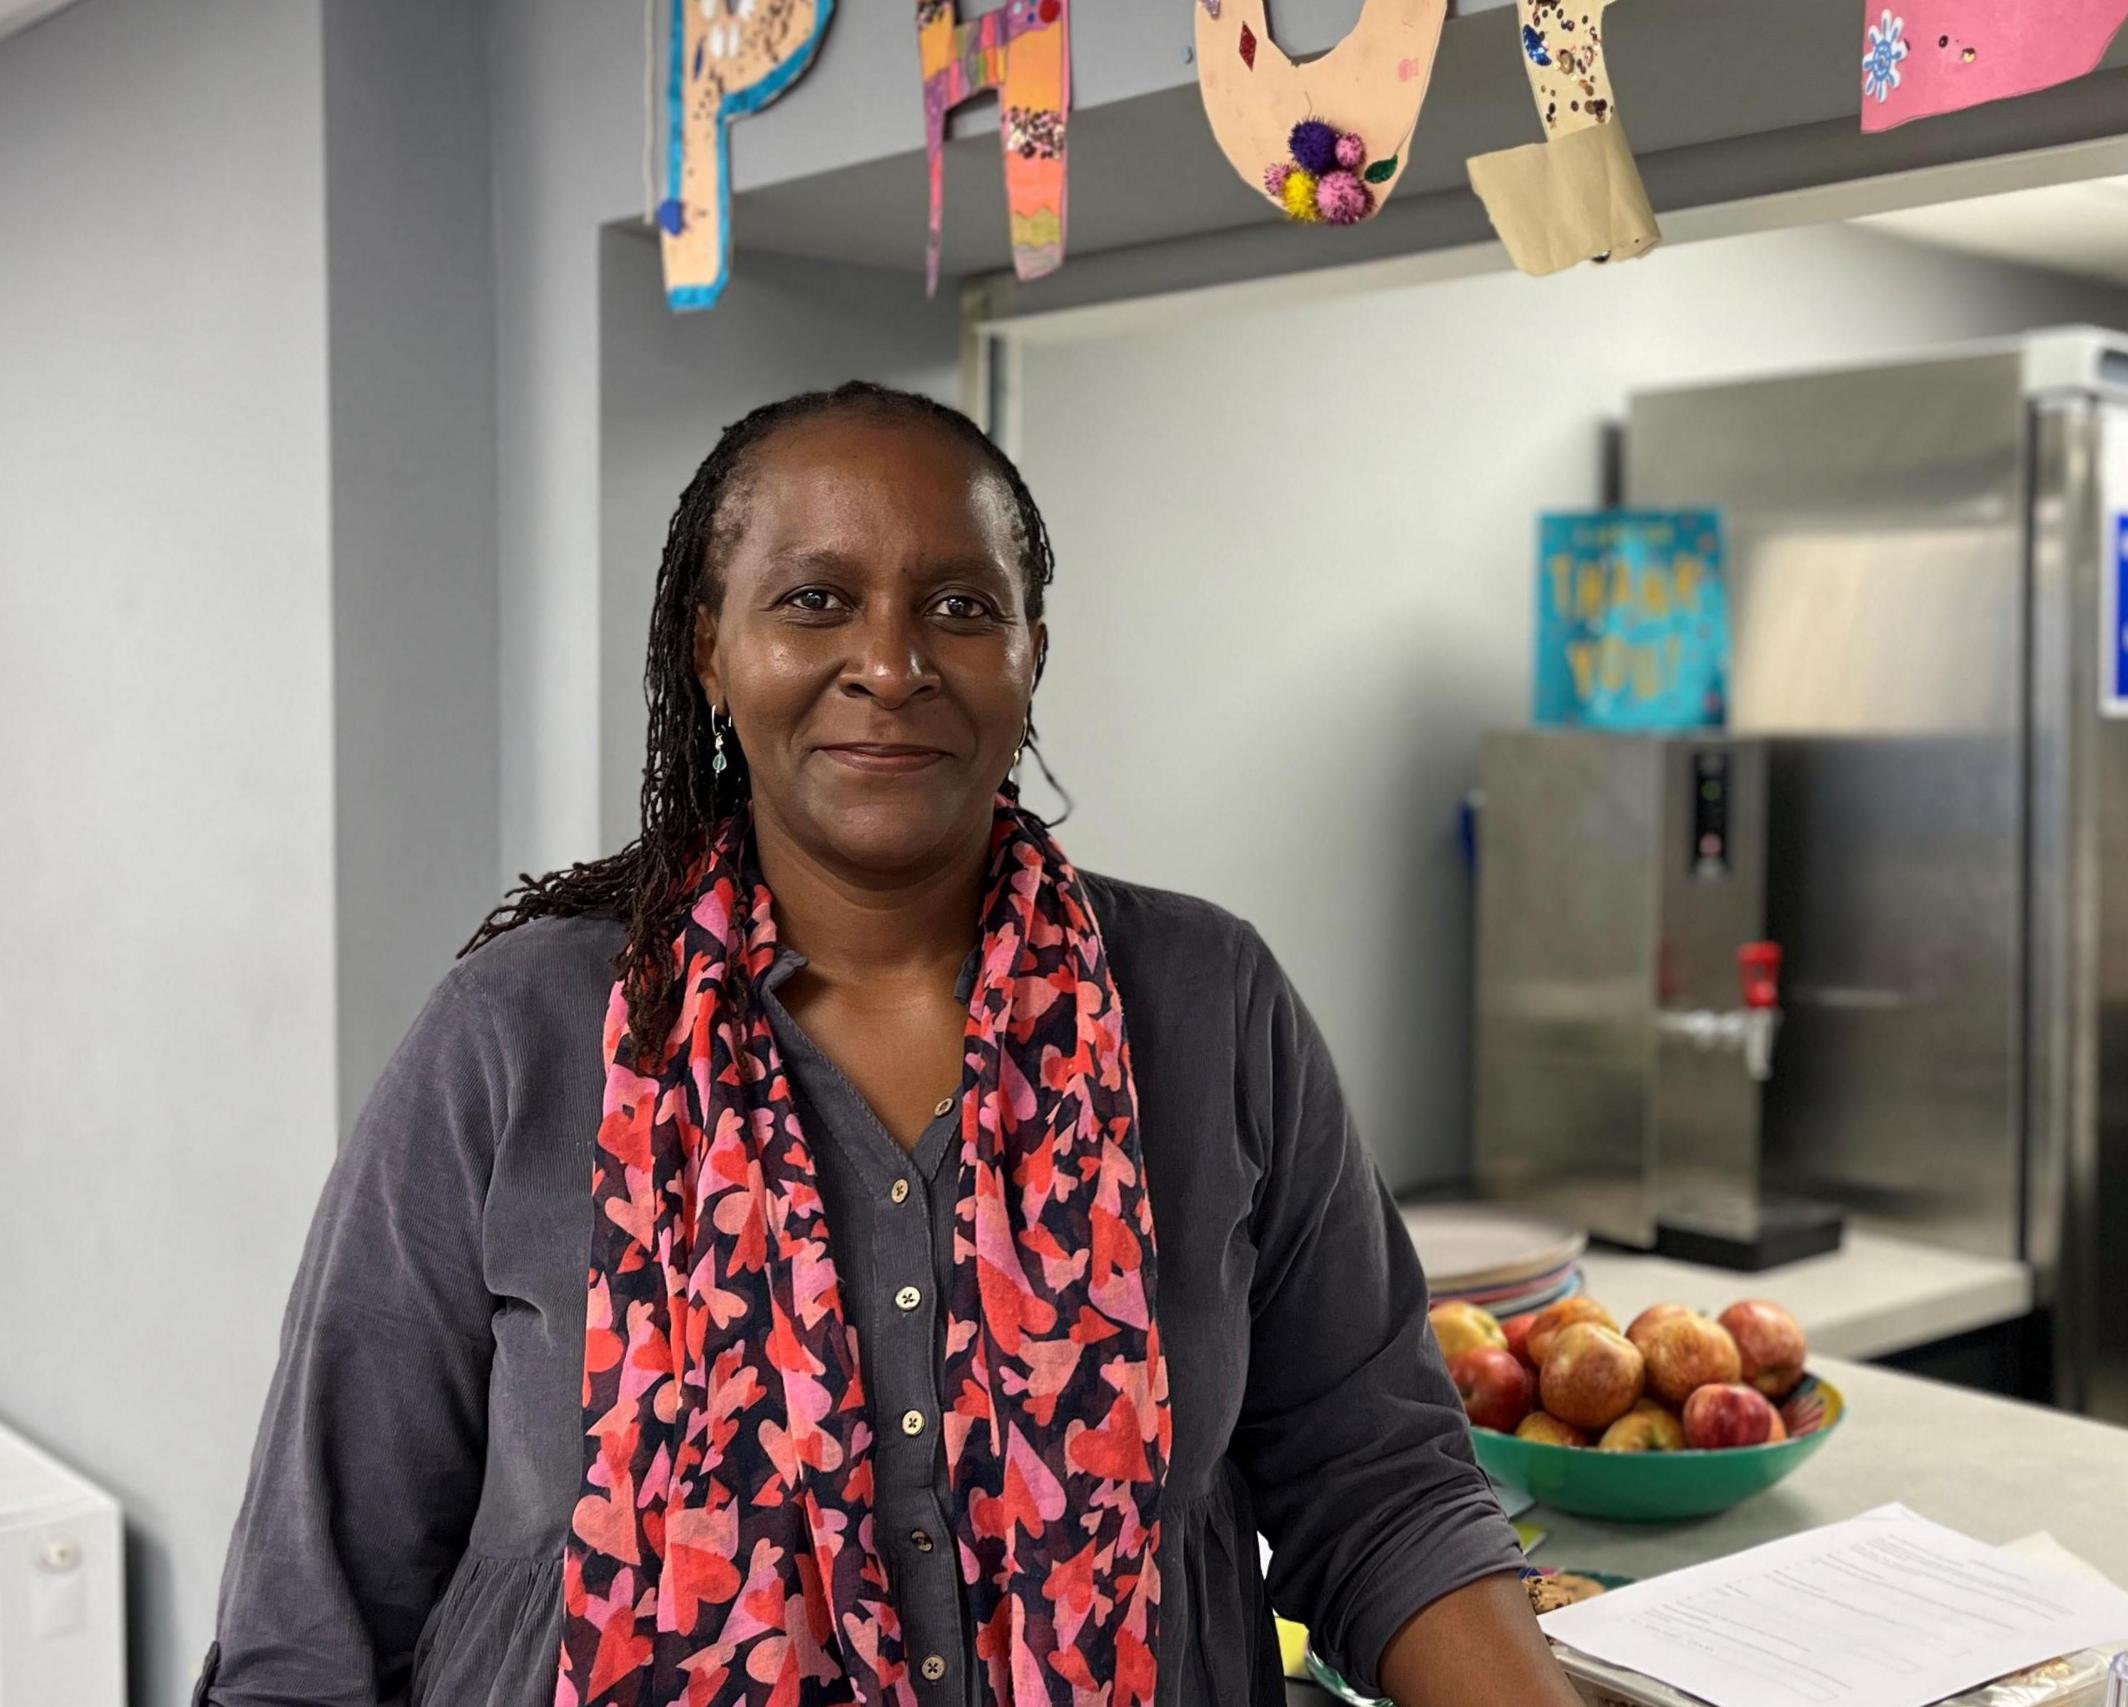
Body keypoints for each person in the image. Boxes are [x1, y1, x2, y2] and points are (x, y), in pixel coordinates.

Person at [198, 381, 1585, 1707]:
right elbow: (310, 1628)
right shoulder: (514, 1040)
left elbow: (1378, 1485)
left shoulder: (1207, 1004)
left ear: (1033, 651)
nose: (892, 664)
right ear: (711, 650)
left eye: (961, 607)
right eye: (815, 601)